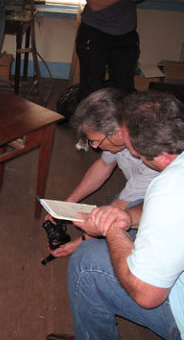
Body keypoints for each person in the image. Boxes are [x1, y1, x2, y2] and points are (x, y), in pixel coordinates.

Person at [67, 91, 184, 339]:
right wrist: (128, 218)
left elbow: (147, 294)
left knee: (86, 262)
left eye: (137, 152)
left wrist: (108, 230)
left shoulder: (167, 187)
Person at [46, 88, 158, 258]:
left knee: (113, 239)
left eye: (95, 141)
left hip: (160, 200)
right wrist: (67, 205)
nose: (95, 147)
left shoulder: (150, 158)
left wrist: (81, 242)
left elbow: (115, 212)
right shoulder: (117, 136)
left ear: (118, 133)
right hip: (136, 190)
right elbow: (104, 166)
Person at [76, 0, 150, 101]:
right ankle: (88, 119)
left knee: (124, 90)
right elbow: (94, 4)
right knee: (91, 89)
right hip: (94, 31)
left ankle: (118, 119)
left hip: (126, 33)